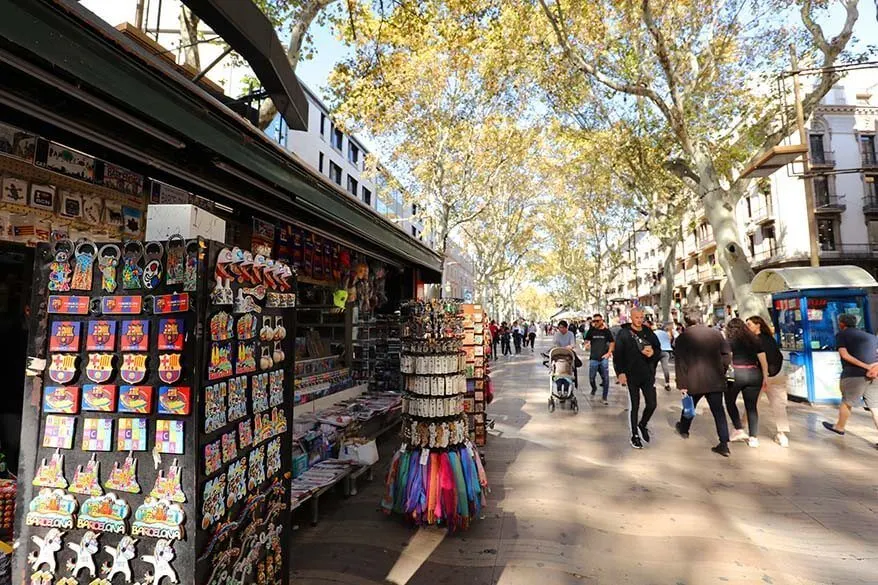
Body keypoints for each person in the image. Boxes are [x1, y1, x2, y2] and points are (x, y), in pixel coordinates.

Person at [674, 308, 733, 457]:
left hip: (694, 380)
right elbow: (727, 355)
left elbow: (680, 362)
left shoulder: (683, 338)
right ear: (700, 318)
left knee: (689, 407)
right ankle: (724, 443)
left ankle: (684, 429)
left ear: (686, 321)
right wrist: (722, 369)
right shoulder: (715, 334)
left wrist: (682, 384)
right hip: (715, 379)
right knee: (719, 411)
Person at [823, 313, 878, 445]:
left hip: (853, 375)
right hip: (874, 375)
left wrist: (865, 367)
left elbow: (844, 354)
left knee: (847, 402)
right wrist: (874, 368)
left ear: (841, 324)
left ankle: (839, 427)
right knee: (875, 406)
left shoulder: (842, 335)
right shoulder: (870, 336)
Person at [613, 308, 661, 449]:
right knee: (635, 405)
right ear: (631, 317)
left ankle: (643, 424)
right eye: (637, 317)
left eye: (641, 317)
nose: (639, 320)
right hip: (631, 375)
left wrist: (652, 353)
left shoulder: (648, 332)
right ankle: (634, 435)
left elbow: (658, 349)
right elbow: (618, 355)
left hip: (647, 374)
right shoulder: (624, 334)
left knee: (652, 404)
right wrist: (620, 373)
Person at [724, 318, 769, 447]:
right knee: (751, 407)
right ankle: (753, 437)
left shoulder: (729, 341)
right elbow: (762, 359)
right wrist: (765, 376)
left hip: (737, 374)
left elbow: (728, 359)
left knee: (729, 401)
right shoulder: (755, 340)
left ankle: (738, 428)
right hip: (754, 374)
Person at [746, 315, 790, 447]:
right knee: (779, 406)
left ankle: (744, 430)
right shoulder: (770, 339)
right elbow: (779, 356)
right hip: (777, 375)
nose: (747, 327)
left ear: (758, 325)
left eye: (749, 324)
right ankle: (782, 435)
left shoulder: (754, 341)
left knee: (752, 405)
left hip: (761, 376)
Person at [584, 313, 614, 405]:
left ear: (602, 321)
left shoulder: (606, 331)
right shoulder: (592, 330)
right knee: (591, 378)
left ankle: (604, 398)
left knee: (606, 378)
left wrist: (609, 353)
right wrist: (587, 344)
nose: (595, 322)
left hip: (603, 358)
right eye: (594, 321)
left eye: (597, 321)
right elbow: (586, 340)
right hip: (593, 358)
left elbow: (612, 342)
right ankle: (594, 388)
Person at [654, 323, 674, 391]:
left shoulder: (654, 333)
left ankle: (653, 383)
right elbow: (670, 339)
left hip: (657, 351)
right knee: (665, 368)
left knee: (653, 367)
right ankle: (667, 384)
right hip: (666, 351)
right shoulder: (666, 333)